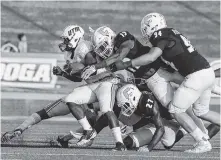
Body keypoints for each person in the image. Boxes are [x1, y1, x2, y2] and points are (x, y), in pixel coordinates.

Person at [113, 13, 220, 153]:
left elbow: (152, 56)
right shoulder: (172, 32)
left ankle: (202, 142)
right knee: (202, 111)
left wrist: (128, 63)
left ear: (153, 26)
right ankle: (202, 136)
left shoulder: (161, 35)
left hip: (195, 75)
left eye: (146, 28)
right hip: (205, 71)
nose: (145, 33)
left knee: (175, 110)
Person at [1, 25, 97, 143]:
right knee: (46, 112)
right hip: (86, 91)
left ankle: (120, 138)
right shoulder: (70, 53)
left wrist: (75, 68)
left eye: (66, 39)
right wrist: (63, 73)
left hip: (98, 88)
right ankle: (19, 129)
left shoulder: (85, 48)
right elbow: (78, 78)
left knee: (97, 118)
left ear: (75, 38)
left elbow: (93, 69)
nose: (64, 42)